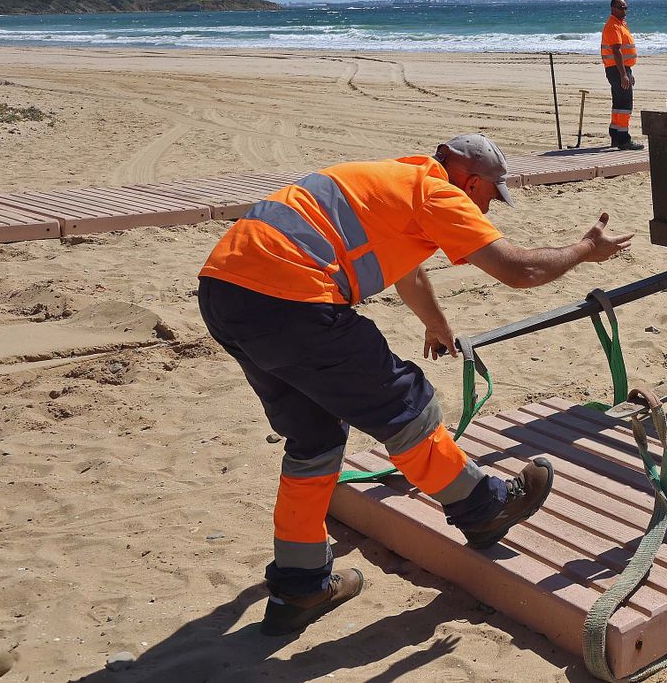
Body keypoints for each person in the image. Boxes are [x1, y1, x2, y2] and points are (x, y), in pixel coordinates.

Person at [196, 133, 633, 636]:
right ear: (471, 180)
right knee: (406, 402)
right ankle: (482, 506)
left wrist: (437, 325)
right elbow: (522, 269)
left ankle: (300, 586)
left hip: (226, 295)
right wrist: (584, 250)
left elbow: (409, 273)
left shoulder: (397, 180)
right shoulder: (440, 192)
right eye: (491, 195)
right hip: (293, 297)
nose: (490, 207)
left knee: (313, 440)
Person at [600, 0, 643, 150]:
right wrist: (624, 74)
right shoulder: (613, 26)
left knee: (618, 104)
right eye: (621, 8)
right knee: (625, 104)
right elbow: (616, 51)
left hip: (621, 68)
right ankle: (623, 139)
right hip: (617, 69)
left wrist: (628, 72)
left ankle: (615, 135)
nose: (624, 11)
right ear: (613, 8)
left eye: (625, 8)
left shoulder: (620, 24)